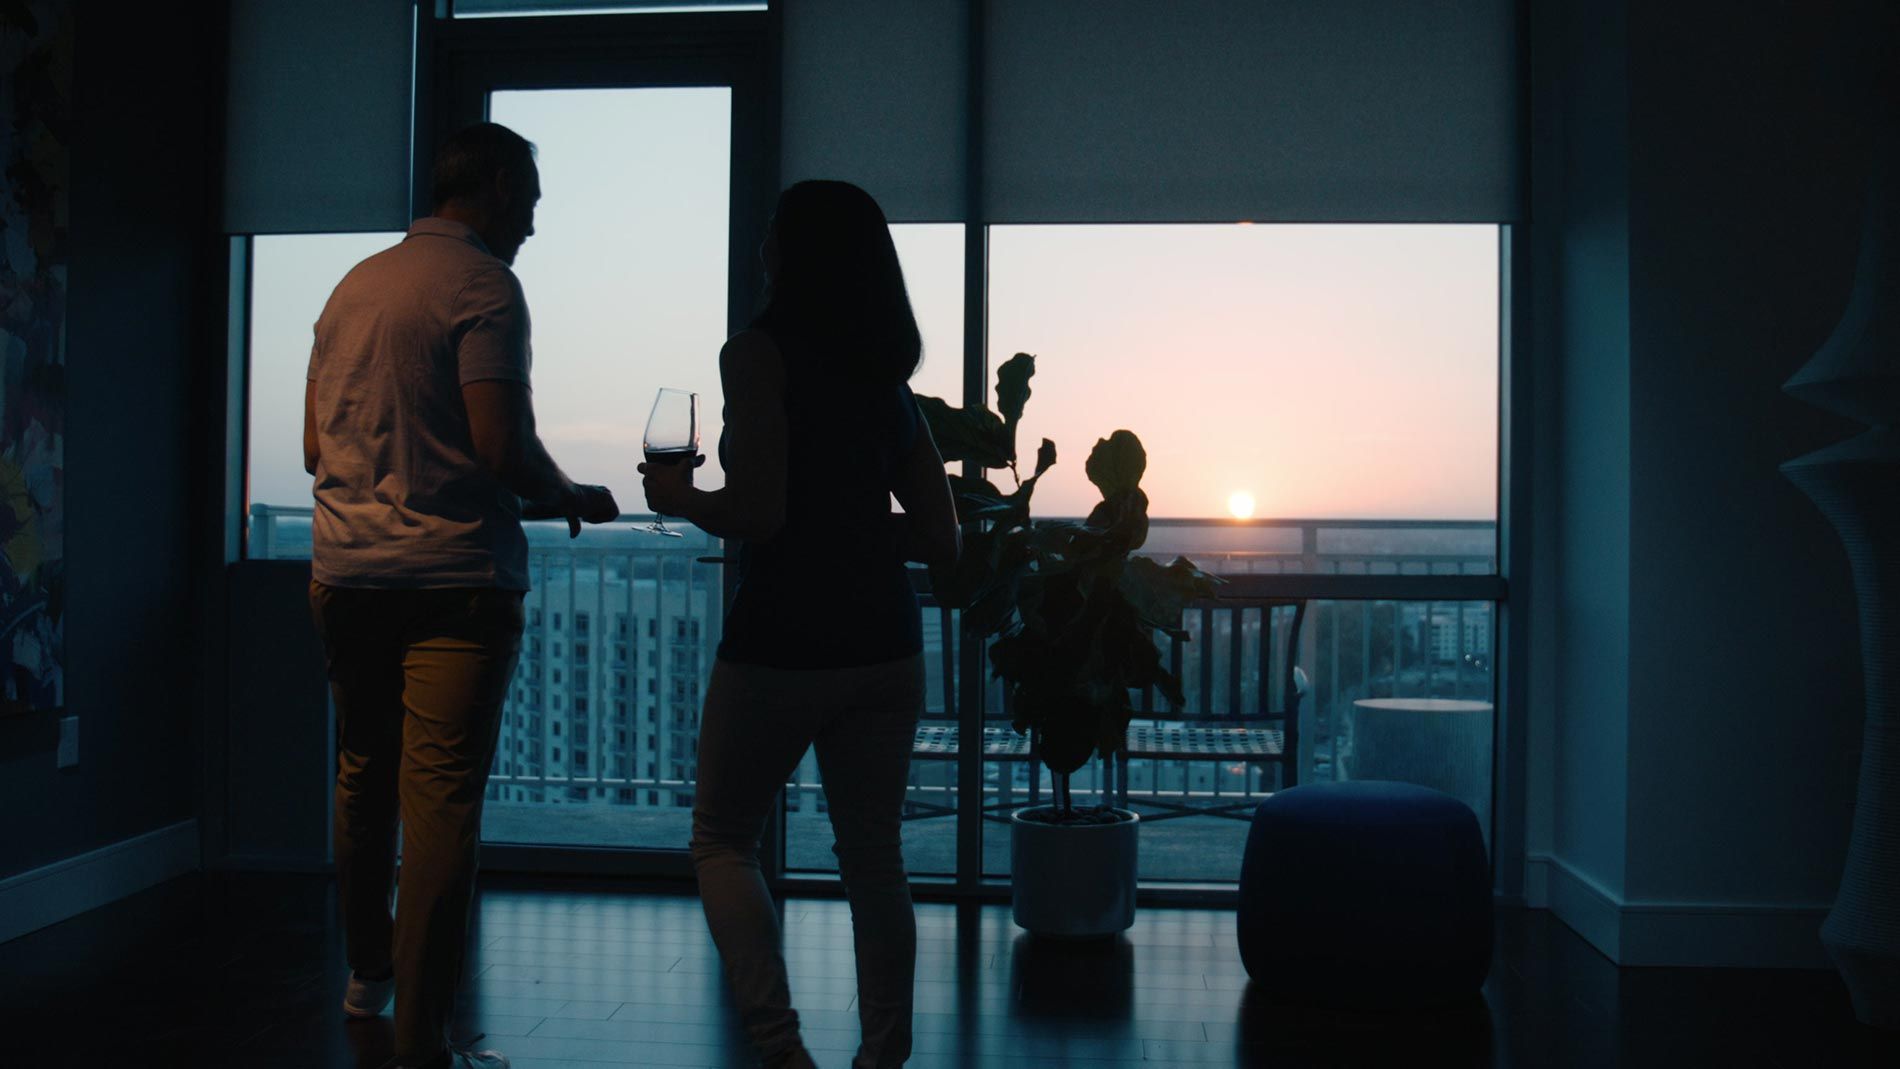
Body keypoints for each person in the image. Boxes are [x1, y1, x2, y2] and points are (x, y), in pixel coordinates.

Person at [304, 121, 618, 1069]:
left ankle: (367, 978)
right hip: (453, 584)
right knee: (439, 802)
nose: (530, 219)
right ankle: (424, 1041)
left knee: (362, 776)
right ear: (482, 190)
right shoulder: (485, 287)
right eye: (524, 197)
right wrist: (566, 492)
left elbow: (316, 449)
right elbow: (499, 446)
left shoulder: (351, 289)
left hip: (347, 573)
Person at [641, 180, 959, 1069]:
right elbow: (940, 534)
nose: (763, 246)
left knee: (722, 837)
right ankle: (882, 1059)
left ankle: (782, 1054)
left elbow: (763, 513)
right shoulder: (884, 382)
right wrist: (854, 521)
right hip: (886, 642)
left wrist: (682, 497)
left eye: (773, 232)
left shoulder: (757, 355)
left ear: (789, 251)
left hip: (785, 636)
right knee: (874, 860)